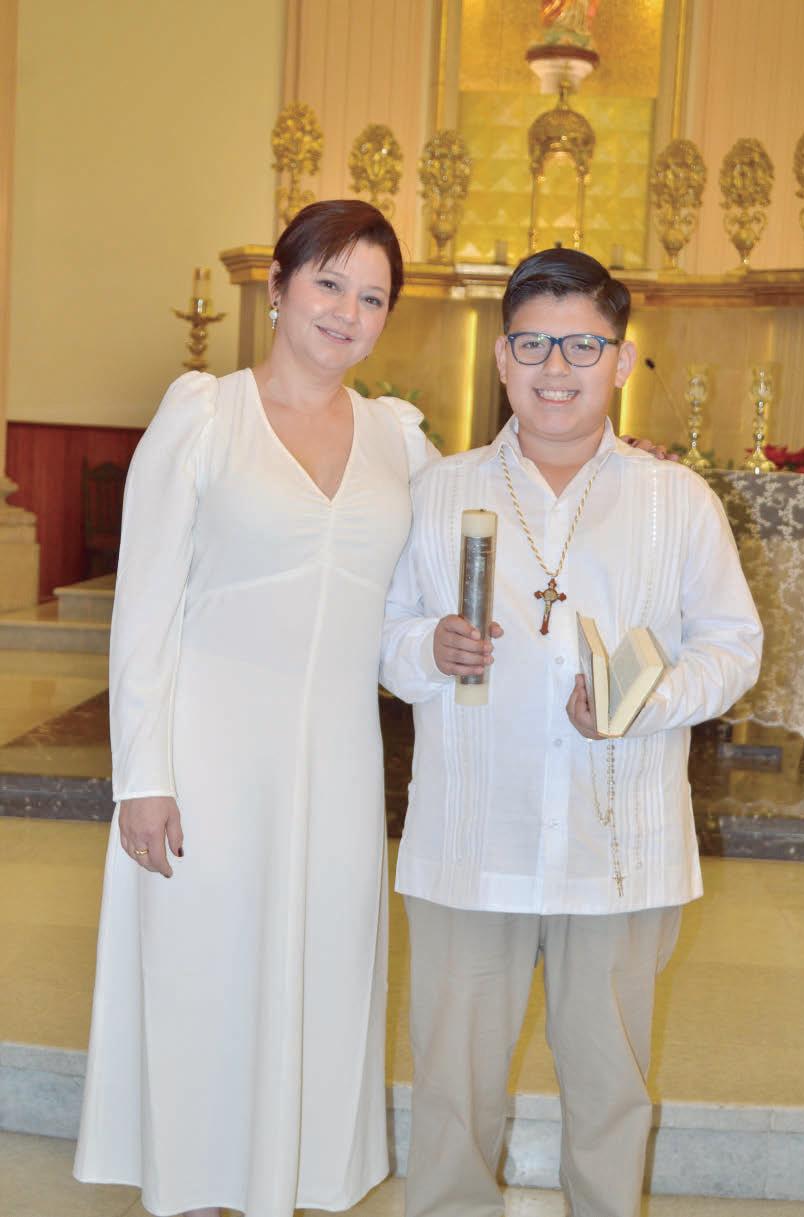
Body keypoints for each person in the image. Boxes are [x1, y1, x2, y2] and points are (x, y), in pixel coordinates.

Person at [380, 248, 763, 1217]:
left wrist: (646, 699)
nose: (556, 367)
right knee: (452, 1089)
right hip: (472, 839)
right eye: (533, 343)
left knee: (610, 1086)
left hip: (618, 845)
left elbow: (732, 644)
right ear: (500, 359)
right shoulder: (436, 491)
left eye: (582, 345)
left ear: (621, 360)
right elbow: (382, 637)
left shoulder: (675, 500)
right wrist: (429, 646)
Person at [74, 200, 438, 1217]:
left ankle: (291, 1184)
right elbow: (144, 608)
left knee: (320, 971)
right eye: (328, 282)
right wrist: (143, 776)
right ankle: (195, 1192)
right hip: (208, 755)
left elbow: (414, 613)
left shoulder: (398, 440)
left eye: (372, 297)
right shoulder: (204, 416)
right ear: (276, 288)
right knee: (205, 975)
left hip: (336, 761)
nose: (347, 311)